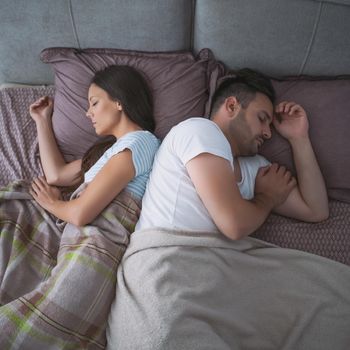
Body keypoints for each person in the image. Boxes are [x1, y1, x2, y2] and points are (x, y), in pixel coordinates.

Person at [0, 65, 160, 349]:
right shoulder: (108, 152)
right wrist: (41, 119)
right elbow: (56, 176)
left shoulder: (142, 142)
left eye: (94, 103)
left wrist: (52, 202)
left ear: (120, 101)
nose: (88, 113)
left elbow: (81, 212)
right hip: (71, 240)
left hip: (95, 247)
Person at [136, 68, 329, 239]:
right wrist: (268, 197)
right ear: (232, 106)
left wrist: (299, 139)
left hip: (209, 263)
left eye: (270, 125)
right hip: (164, 255)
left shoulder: (256, 168)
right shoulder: (199, 130)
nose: (268, 133)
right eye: (262, 119)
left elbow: (316, 211)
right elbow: (234, 225)